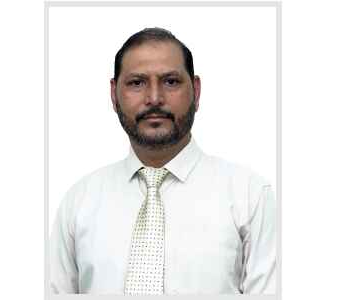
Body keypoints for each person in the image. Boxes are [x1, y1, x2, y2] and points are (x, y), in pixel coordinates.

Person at [50, 27, 276, 295]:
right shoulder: (79, 201)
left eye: (170, 81)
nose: (154, 98)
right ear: (113, 94)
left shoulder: (250, 197)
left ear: (196, 90)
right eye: (137, 82)